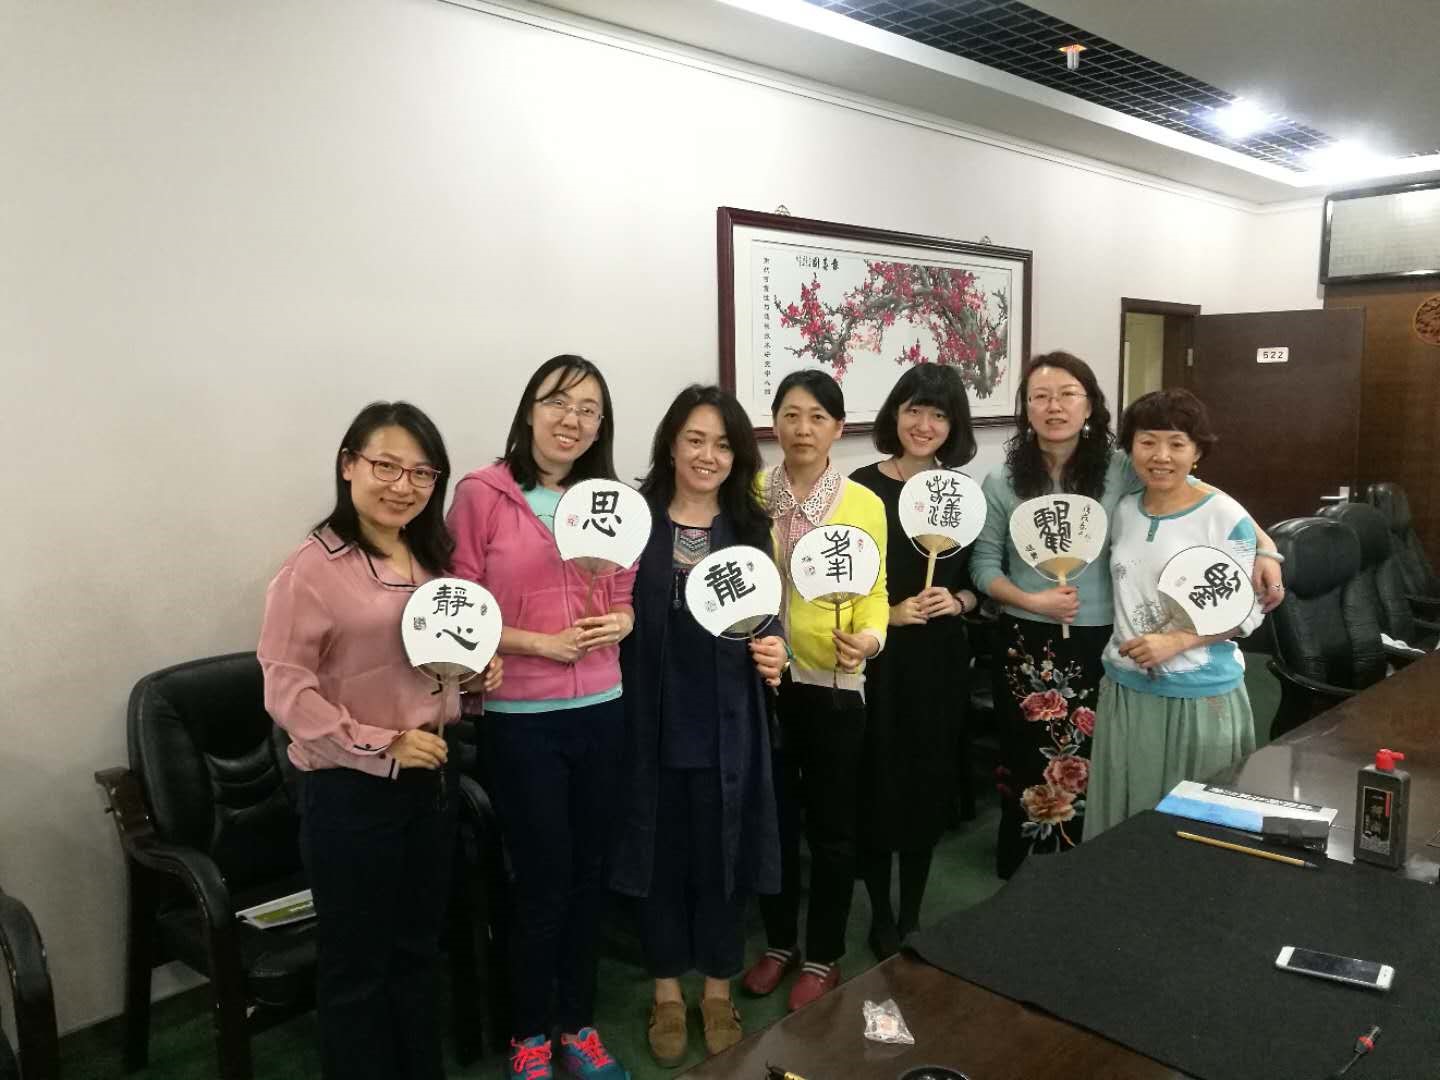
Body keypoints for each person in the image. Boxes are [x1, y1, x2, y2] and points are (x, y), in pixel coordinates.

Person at [970, 353, 1285, 878]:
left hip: (1102, 638)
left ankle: (1091, 865)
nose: (1054, 407)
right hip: (1028, 641)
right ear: (1026, 407)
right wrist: (1032, 600)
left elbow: (1193, 494)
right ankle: (1030, 868)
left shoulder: (1119, 468)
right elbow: (983, 565)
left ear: (1089, 404)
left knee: (1099, 760)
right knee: (1029, 757)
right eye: (1040, 396)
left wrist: (1265, 545)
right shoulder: (1002, 480)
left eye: (1068, 395)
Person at [258, 401, 502, 1080]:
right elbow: (286, 692)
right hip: (350, 793)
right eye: (386, 466)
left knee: (417, 953)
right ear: (348, 465)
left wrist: (473, 676)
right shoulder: (310, 570)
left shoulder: (431, 559)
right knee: (356, 968)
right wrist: (380, 743)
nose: (404, 486)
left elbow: (431, 665)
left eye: (422, 473)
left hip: (432, 780)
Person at [447, 356, 634, 1080]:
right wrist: (537, 644)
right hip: (522, 718)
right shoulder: (483, 494)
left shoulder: (610, 500)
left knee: (590, 875)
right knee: (541, 879)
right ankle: (528, 1034)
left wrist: (620, 623)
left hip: (602, 710)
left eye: (588, 409)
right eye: (558, 401)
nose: (571, 419)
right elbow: (459, 605)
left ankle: (579, 1026)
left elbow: (624, 597)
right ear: (529, 409)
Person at [611, 385, 786, 1066]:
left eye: (722, 444)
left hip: (727, 723)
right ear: (671, 445)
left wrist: (775, 649)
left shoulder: (748, 525)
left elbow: (767, 617)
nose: (708, 455)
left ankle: (716, 988)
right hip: (647, 720)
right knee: (657, 856)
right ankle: (665, 992)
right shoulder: (633, 520)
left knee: (722, 856)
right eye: (695, 439)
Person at [740, 368, 889, 1012]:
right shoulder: (751, 492)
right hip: (763, 678)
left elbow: (876, 590)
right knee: (773, 817)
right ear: (774, 421)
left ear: (838, 428)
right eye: (791, 415)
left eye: (818, 417)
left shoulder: (862, 503)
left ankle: (824, 952)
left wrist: (871, 640)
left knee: (832, 826)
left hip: (833, 681)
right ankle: (779, 942)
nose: (803, 429)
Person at [1085, 389, 1265, 835]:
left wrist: (1179, 641)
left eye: (1176, 443)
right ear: (1130, 449)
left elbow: (1250, 609)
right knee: (1127, 824)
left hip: (1200, 695)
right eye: (1147, 442)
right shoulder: (1123, 511)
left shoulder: (1224, 516)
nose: (1161, 456)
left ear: (1197, 451)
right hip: (1127, 691)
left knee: (1194, 829)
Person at [849, 365, 980, 959]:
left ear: (953, 426)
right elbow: (841, 583)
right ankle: (880, 913)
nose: (924, 424)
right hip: (879, 657)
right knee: (877, 782)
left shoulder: (961, 495)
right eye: (914, 409)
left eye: (939, 414)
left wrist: (960, 600)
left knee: (927, 780)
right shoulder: (860, 488)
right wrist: (888, 615)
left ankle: (913, 914)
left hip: (938, 659)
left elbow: (979, 577)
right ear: (894, 415)